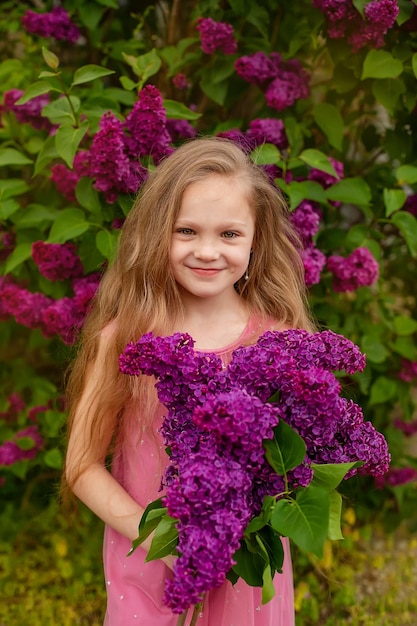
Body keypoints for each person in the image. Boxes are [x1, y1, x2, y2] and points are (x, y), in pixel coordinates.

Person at [64, 136, 316, 625]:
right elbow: (81, 465)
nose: (207, 251)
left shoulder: (280, 341)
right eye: (186, 230)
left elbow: (294, 464)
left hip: (245, 571)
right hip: (149, 561)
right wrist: (164, 543)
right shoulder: (126, 341)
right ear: (157, 232)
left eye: (229, 234)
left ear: (256, 240)